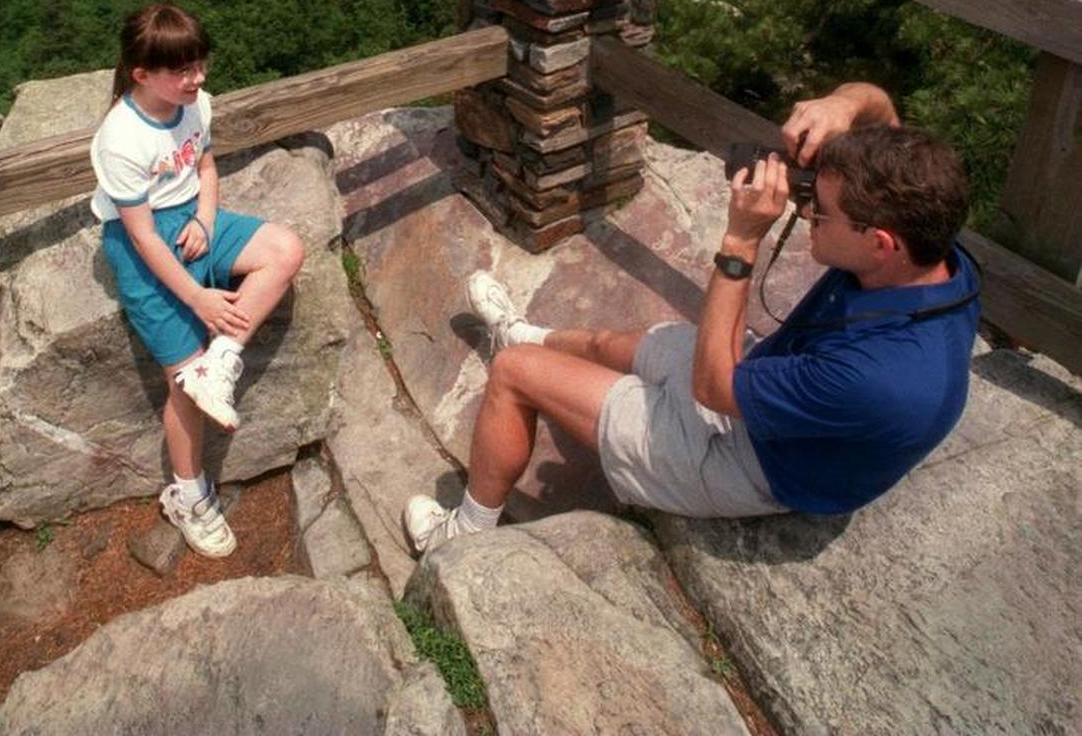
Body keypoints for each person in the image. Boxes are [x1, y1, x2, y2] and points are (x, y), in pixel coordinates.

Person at [404, 81, 980, 553]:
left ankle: (464, 534)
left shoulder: (878, 377)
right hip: (770, 387)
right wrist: (848, 105)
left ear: (880, 244)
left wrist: (741, 240)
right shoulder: (932, 253)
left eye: (819, 212)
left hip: (753, 460)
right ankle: (522, 331)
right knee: (611, 343)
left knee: (514, 373)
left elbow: (713, 389)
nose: (805, 214)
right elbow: (883, 110)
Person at [91, 2, 304, 558]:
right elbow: (140, 237)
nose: (198, 79)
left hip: (193, 219)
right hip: (148, 248)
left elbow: (205, 168)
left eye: (199, 65)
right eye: (182, 71)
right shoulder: (121, 139)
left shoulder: (194, 105)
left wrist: (207, 221)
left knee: (285, 248)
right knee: (185, 390)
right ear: (142, 75)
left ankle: (222, 361)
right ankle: (188, 494)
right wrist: (197, 297)